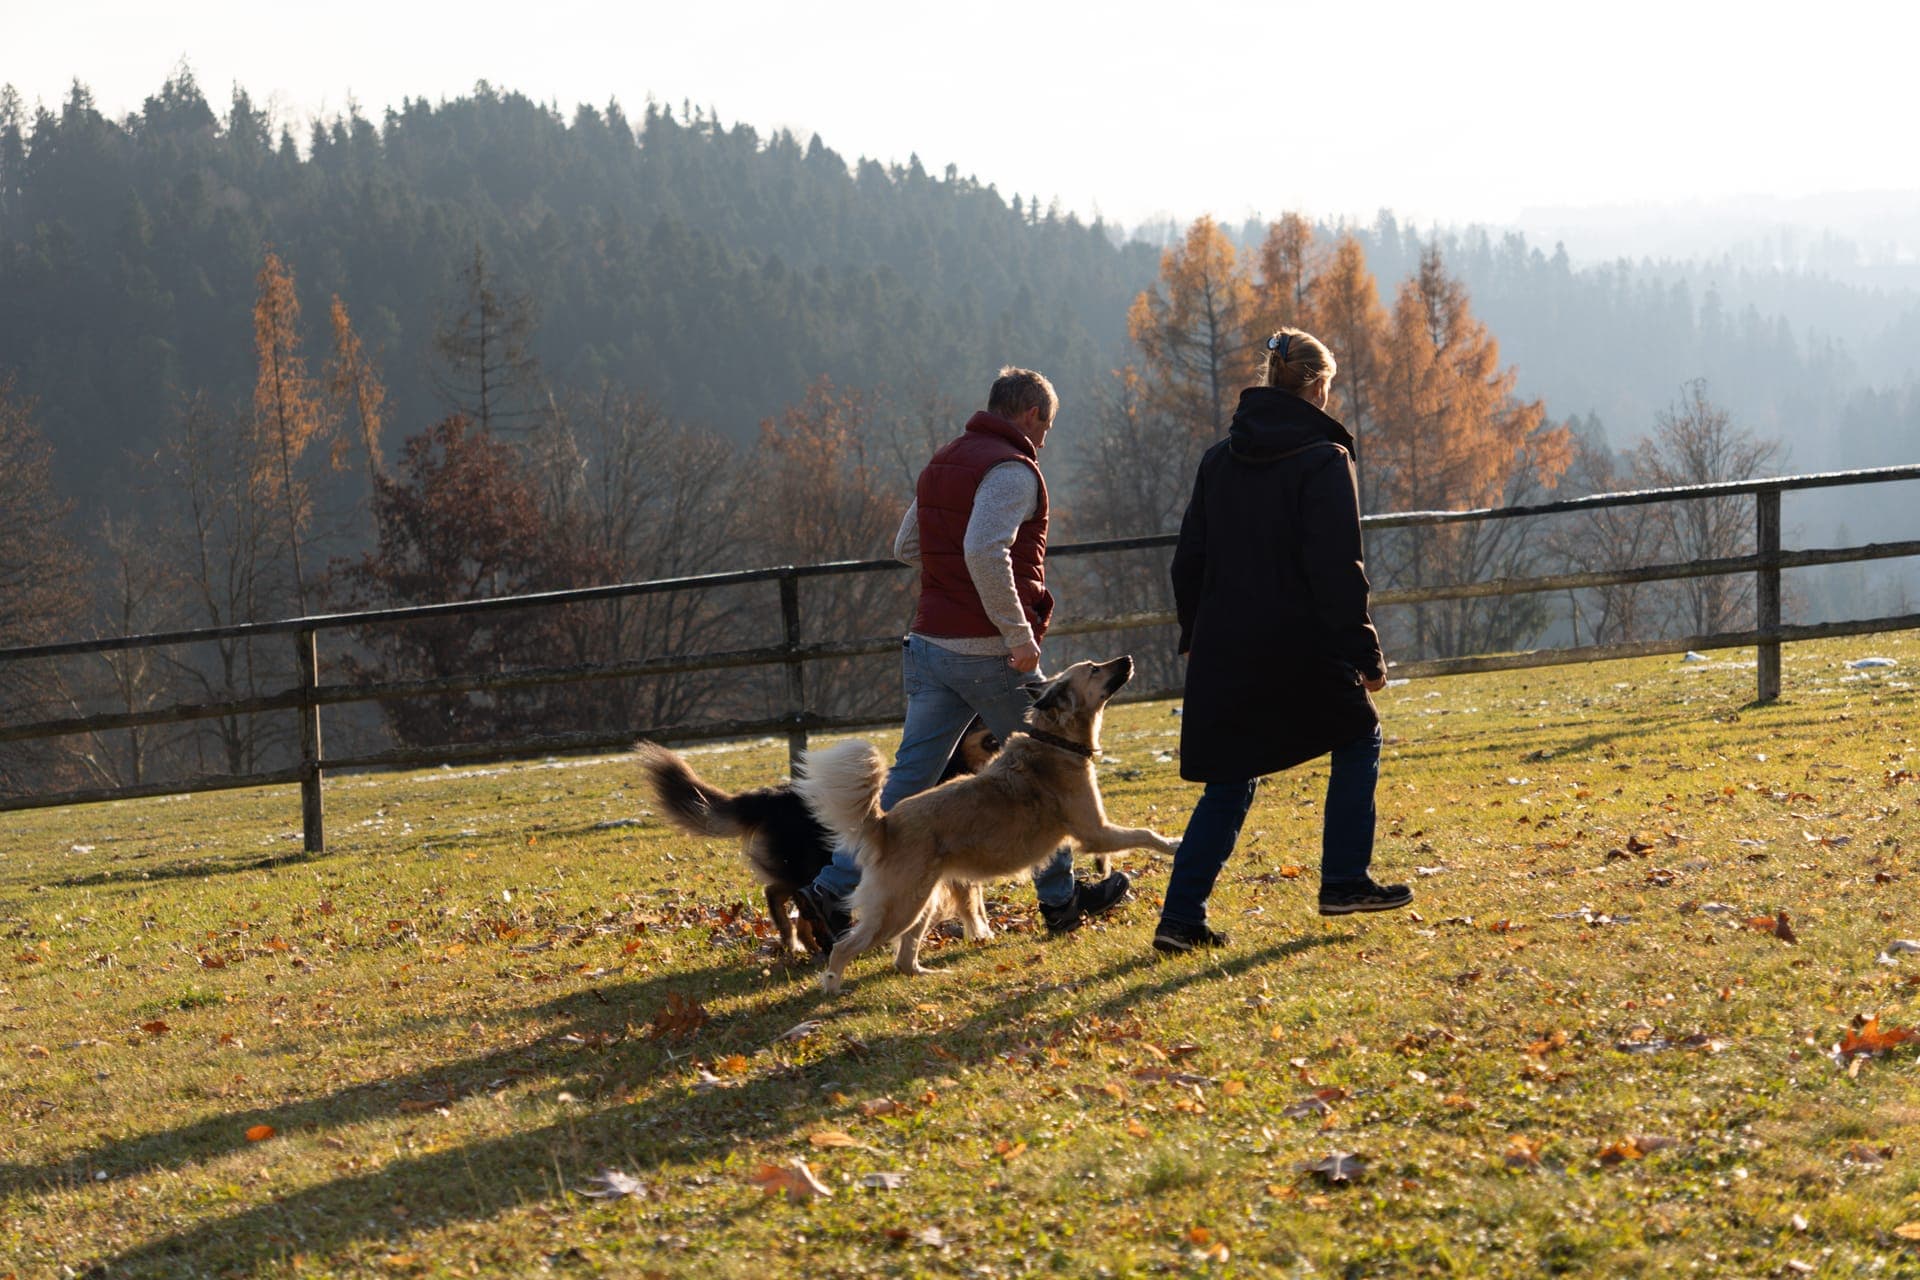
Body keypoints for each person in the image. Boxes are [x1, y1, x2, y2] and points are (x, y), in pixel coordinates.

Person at [795, 367, 1133, 946]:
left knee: (909, 780)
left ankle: (829, 890)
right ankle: (1061, 900)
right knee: (1049, 766)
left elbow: (907, 547)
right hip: (989, 651)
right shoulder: (1011, 471)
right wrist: (1016, 631)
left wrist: (952, 575)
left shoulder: (944, 460)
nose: (1045, 439)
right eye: (1046, 425)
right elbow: (984, 547)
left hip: (929, 646)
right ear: (1031, 415)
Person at [1152, 328, 1411, 954]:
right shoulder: (1324, 459)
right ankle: (1345, 879)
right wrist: (1365, 655)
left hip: (1225, 646)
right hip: (1299, 644)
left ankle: (1180, 918)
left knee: (1231, 776)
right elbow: (1338, 569)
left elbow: (1188, 562)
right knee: (1359, 733)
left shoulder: (1218, 460)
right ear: (1319, 386)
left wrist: (1196, 635)